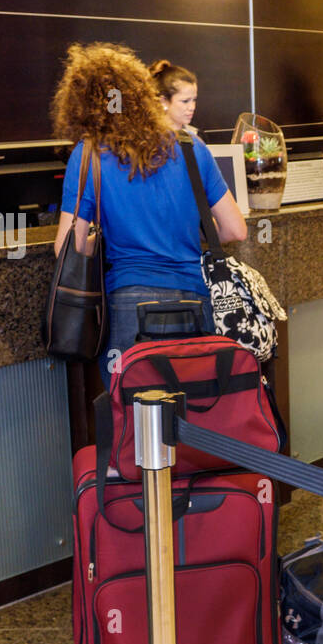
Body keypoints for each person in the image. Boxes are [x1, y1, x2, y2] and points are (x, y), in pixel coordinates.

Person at [50, 43, 247, 387]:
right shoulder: (189, 146)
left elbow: (69, 246)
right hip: (194, 299)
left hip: (127, 306)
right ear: (143, 92)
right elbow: (234, 230)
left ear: (82, 104)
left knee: (132, 417)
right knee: (194, 409)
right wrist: (183, 230)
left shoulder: (89, 155)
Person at [150, 59, 201, 139]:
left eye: (194, 100)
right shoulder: (148, 142)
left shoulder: (195, 140)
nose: (192, 107)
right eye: (185, 101)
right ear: (163, 101)